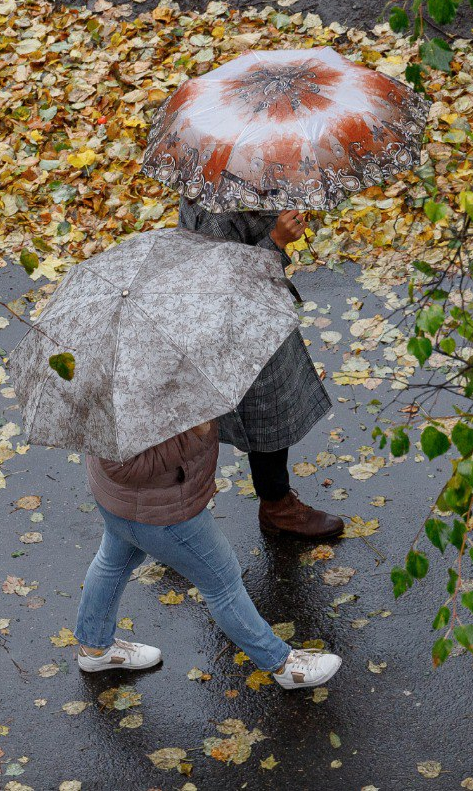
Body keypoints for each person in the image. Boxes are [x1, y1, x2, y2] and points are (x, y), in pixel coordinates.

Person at [73, 421, 342, 690]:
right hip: (162, 514)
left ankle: (95, 647)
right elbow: (121, 466)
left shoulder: (117, 391)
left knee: (114, 561)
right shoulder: (131, 395)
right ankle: (284, 665)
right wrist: (194, 436)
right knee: (223, 585)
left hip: (122, 502)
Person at [176, 198, 343, 539]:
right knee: (252, 418)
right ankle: (271, 506)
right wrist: (277, 240)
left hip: (259, 314)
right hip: (233, 327)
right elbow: (222, 282)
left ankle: (274, 501)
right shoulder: (212, 205)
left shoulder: (248, 177)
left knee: (266, 415)